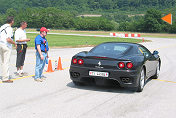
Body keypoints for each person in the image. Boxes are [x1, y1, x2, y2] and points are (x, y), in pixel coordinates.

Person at [0, 16, 16, 83]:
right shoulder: (9, 28)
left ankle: (3, 75)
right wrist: (15, 43)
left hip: (1, 44)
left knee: (2, 62)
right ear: (12, 21)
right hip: (6, 46)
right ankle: (5, 78)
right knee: (6, 62)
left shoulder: (2, 26)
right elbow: (8, 39)